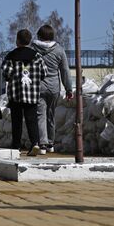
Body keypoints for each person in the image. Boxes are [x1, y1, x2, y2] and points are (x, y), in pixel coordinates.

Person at [3, 29, 48, 156]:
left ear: (17, 40)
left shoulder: (10, 56)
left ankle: (16, 146)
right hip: (32, 94)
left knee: (16, 121)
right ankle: (35, 143)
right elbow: (44, 73)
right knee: (32, 120)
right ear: (29, 41)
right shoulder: (37, 56)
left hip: (15, 94)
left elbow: (6, 73)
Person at [32, 24, 73, 154]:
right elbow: (65, 71)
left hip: (38, 87)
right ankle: (51, 143)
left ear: (39, 35)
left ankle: (42, 144)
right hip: (54, 87)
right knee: (51, 115)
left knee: (40, 115)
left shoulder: (33, 49)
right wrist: (69, 89)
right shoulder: (59, 50)